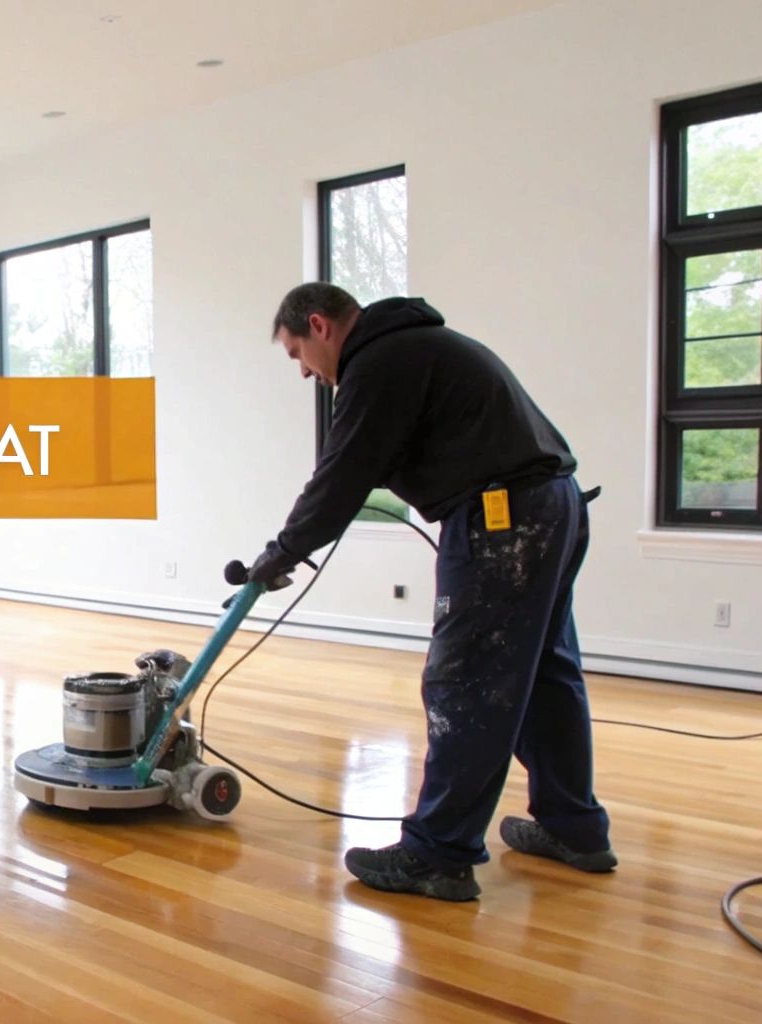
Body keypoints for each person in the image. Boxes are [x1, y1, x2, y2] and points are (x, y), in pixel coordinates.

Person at [245, 282, 614, 902]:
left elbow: (342, 474)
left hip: (503, 520)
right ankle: (571, 826)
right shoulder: (421, 345)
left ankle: (438, 853)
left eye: (297, 354)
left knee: (465, 682)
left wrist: (282, 551)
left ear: (320, 326)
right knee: (546, 673)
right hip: (554, 505)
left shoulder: (379, 362)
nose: (304, 372)